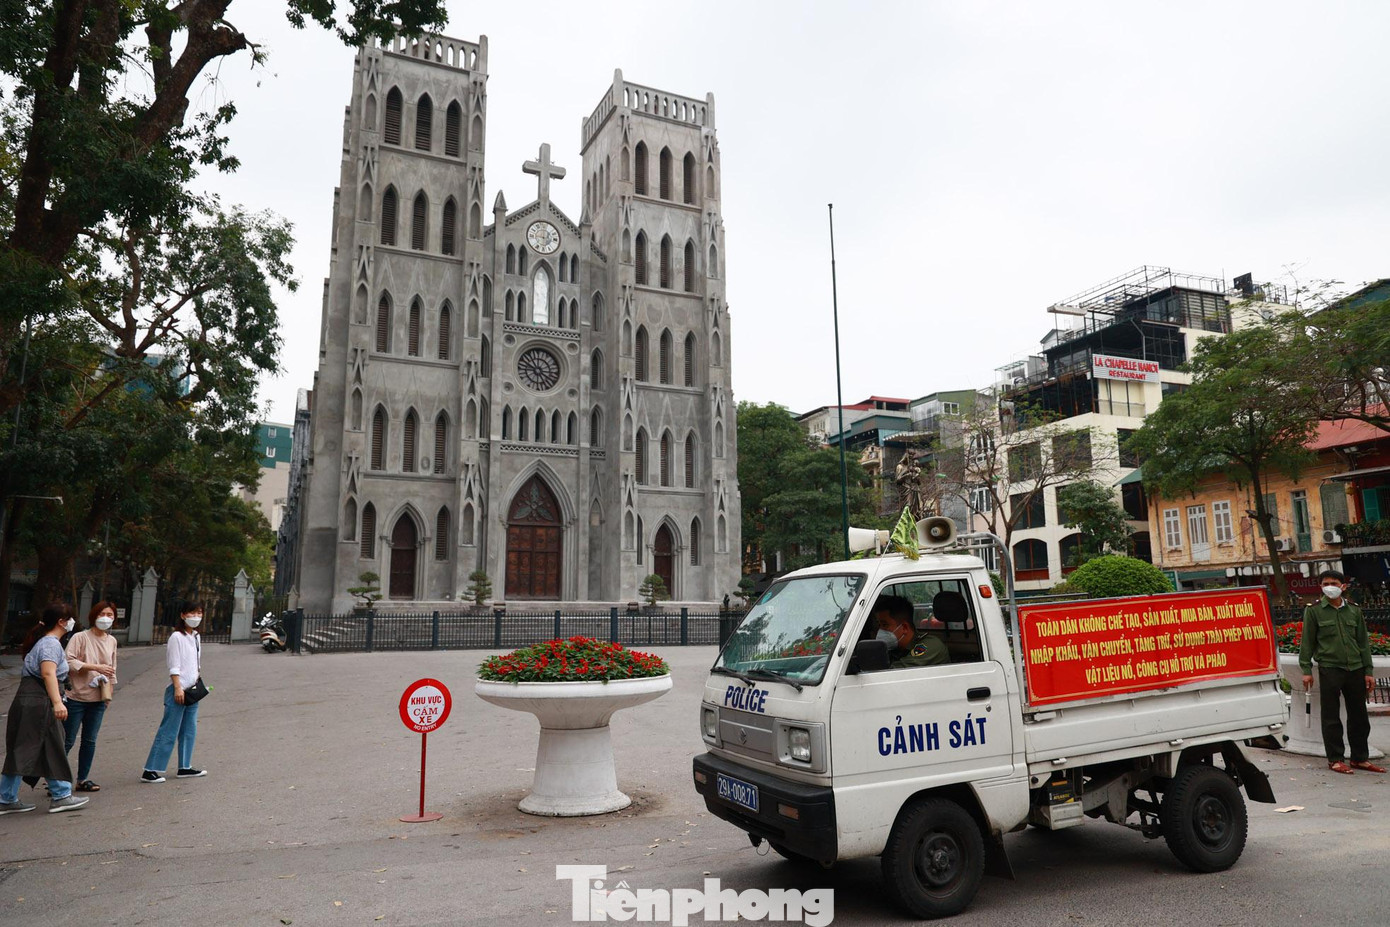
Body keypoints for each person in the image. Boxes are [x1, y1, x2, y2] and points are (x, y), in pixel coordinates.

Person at [0, 603, 91, 814]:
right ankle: (60, 795)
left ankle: (8, 797)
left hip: (31, 700)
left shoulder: (44, 642)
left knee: (27, 747)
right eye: (70, 619)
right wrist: (57, 702)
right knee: (49, 745)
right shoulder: (50, 644)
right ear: (61, 622)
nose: (73, 623)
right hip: (40, 702)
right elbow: (48, 673)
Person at [1299, 570, 1386, 775]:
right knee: (1331, 716)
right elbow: (1307, 642)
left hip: (1355, 668)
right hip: (1330, 668)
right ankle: (1336, 759)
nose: (1330, 586)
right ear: (1320, 586)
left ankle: (1359, 758)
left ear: (1343, 586)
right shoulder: (1314, 611)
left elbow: (1363, 643)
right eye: (1326, 583)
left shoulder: (1354, 611)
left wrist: (1368, 671)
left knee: (1359, 716)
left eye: (1334, 583)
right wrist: (1305, 669)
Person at [141, 601, 208, 783]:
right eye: (192, 613)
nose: (196, 617)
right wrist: (178, 687)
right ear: (183, 615)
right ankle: (150, 769)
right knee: (169, 730)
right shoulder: (176, 637)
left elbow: (196, 663)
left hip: (193, 690)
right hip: (179, 690)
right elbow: (174, 665)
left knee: (189, 730)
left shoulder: (195, 637)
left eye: (199, 613)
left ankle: (184, 767)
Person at [63, 601, 120, 792]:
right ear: (94, 616)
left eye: (110, 615)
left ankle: (83, 779)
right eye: (102, 614)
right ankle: (56, 779)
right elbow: (68, 661)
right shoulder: (80, 637)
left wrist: (108, 695)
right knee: (67, 739)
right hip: (76, 697)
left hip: (98, 699)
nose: (106, 618)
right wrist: (95, 667)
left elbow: (112, 670)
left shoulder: (112, 641)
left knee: (90, 740)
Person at [873, 595, 949, 668]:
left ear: (904, 628)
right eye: (879, 625)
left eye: (884, 625)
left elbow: (891, 673)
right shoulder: (895, 650)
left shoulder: (931, 646)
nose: (880, 630)